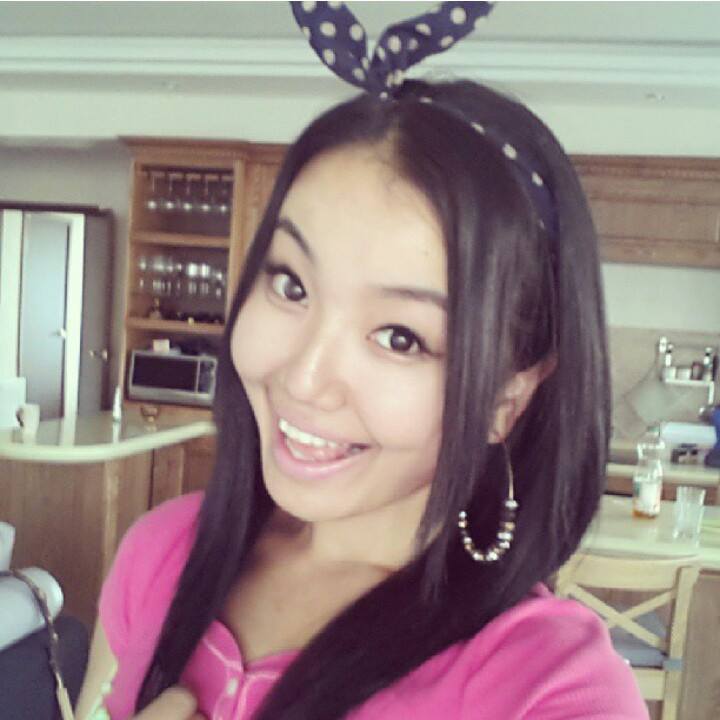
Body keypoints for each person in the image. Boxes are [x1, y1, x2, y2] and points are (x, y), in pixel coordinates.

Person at [76, 3, 649, 718]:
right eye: (291, 285)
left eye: (400, 337)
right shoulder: (161, 552)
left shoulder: (546, 684)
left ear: (506, 398)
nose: (302, 376)